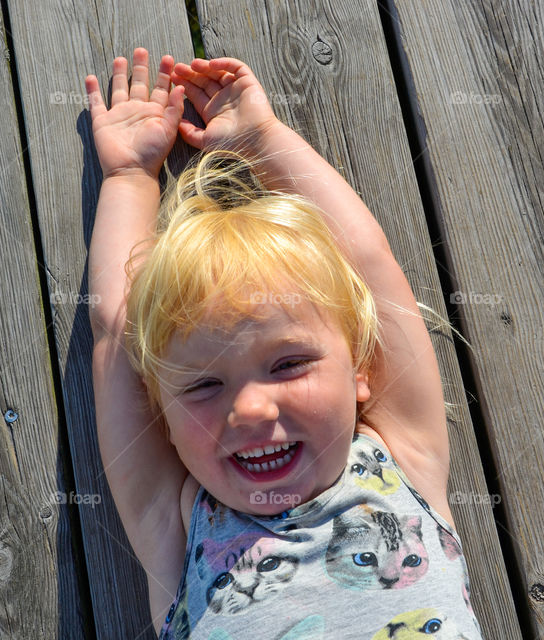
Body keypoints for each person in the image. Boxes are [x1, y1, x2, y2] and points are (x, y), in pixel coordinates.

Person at [85, 48, 481, 640]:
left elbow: (368, 261)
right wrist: (127, 178)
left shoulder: (402, 458)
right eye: (203, 385)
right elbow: (119, 338)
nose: (249, 408)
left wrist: (262, 141)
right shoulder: (180, 526)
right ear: (160, 417)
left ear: (360, 368)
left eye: (288, 363)